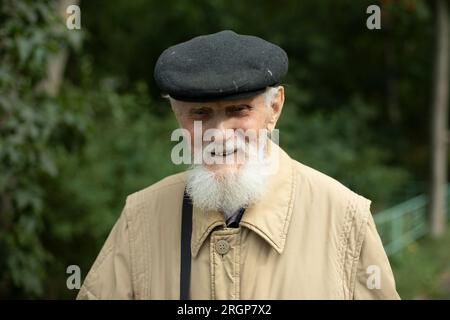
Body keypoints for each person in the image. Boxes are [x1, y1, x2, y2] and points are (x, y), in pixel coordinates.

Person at [77, 30, 400, 300]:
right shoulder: (141, 216)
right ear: (178, 116)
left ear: (274, 108)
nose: (219, 134)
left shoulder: (344, 215)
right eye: (200, 114)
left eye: (239, 110)